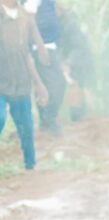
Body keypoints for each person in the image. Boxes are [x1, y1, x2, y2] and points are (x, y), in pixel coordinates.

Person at [0, 0, 47, 171]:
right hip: (1, 83)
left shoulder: (24, 18)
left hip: (21, 83)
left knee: (26, 128)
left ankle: (30, 167)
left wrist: (39, 84)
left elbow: (26, 54)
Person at [26, 0, 64, 135]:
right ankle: (48, 119)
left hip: (50, 45)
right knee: (57, 85)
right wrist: (40, 46)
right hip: (42, 47)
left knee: (52, 85)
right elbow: (29, 20)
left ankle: (46, 121)